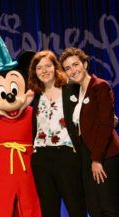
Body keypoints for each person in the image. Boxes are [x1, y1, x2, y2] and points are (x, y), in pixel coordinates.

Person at [59, 47, 119, 217]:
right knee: (94, 208)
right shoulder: (78, 92)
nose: (73, 70)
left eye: (75, 64)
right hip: (87, 156)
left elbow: (105, 125)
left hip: (105, 155)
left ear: (85, 64)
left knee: (108, 207)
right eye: (67, 68)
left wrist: (97, 159)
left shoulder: (100, 86)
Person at [28, 50, 87, 217]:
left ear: (55, 67)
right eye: (39, 68)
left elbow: (90, 106)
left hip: (67, 155)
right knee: (49, 210)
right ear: (35, 72)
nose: (44, 70)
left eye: (48, 65)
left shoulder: (71, 88)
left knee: (76, 207)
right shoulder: (36, 95)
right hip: (41, 158)